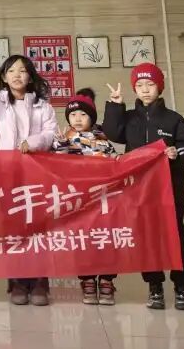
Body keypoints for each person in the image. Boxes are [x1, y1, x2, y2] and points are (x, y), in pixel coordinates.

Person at [103, 63, 184, 312]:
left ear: (160, 87)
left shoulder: (174, 119)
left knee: (175, 236)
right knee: (147, 238)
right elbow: (112, 133)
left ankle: (181, 286)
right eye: (140, 85)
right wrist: (115, 106)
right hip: (139, 192)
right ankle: (154, 285)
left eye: (150, 84)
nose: (145, 90)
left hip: (170, 192)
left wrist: (176, 153)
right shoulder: (129, 118)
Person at [0, 55, 57, 306]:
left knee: (38, 226)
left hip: (36, 170)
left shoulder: (43, 105)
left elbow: (51, 134)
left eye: (22, 71)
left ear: (30, 77)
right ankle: (18, 281)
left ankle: (40, 280)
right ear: (4, 77)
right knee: (13, 226)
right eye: (11, 71)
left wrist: (32, 143)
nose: (17, 75)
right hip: (7, 172)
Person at [53, 88, 119, 306]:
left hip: (104, 199)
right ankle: (88, 280)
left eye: (83, 114)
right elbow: (57, 163)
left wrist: (120, 160)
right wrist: (61, 145)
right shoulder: (65, 138)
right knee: (84, 238)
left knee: (106, 237)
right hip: (80, 200)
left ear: (92, 117)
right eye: (73, 115)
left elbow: (114, 161)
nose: (78, 118)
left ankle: (107, 280)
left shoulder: (103, 137)